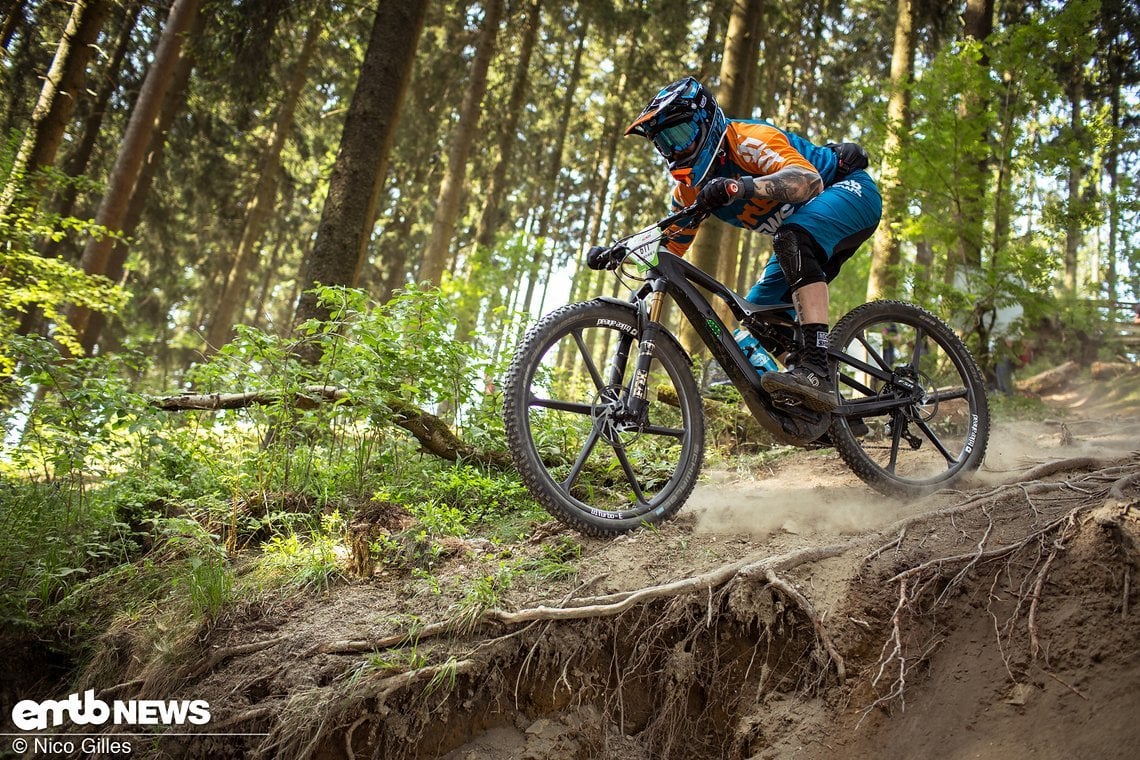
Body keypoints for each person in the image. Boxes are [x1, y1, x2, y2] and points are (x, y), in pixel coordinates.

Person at [602, 76, 882, 412]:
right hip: (800, 233)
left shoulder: (748, 140)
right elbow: (669, 246)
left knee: (792, 237)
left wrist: (740, 187)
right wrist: (624, 253)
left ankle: (817, 372)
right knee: (757, 322)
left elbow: (808, 181)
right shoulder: (689, 188)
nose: (675, 150)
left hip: (850, 191)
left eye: (679, 135)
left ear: (705, 121)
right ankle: (823, 413)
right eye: (665, 144)